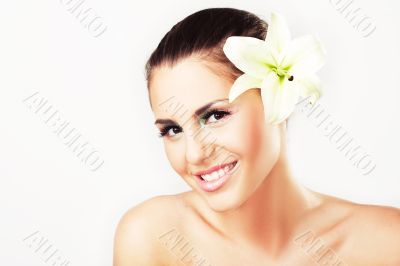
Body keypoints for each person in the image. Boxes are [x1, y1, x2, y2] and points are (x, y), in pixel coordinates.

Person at [113, 7, 400, 266]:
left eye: (215, 116)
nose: (194, 155)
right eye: (172, 130)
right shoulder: (152, 237)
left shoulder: (386, 243)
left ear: (280, 100)